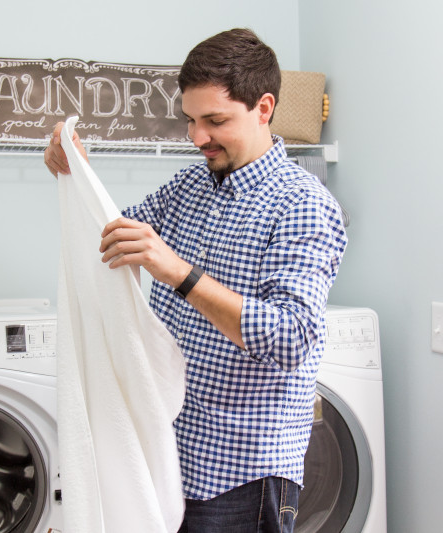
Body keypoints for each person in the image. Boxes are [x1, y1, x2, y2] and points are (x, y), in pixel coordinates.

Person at [44, 28, 347, 532]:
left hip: (244, 473)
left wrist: (179, 273)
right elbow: (112, 240)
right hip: (172, 455)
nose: (197, 137)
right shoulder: (190, 185)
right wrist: (74, 172)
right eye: (190, 120)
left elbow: (292, 338)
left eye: (215, 120)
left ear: (264, 107)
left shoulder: (304, 204)